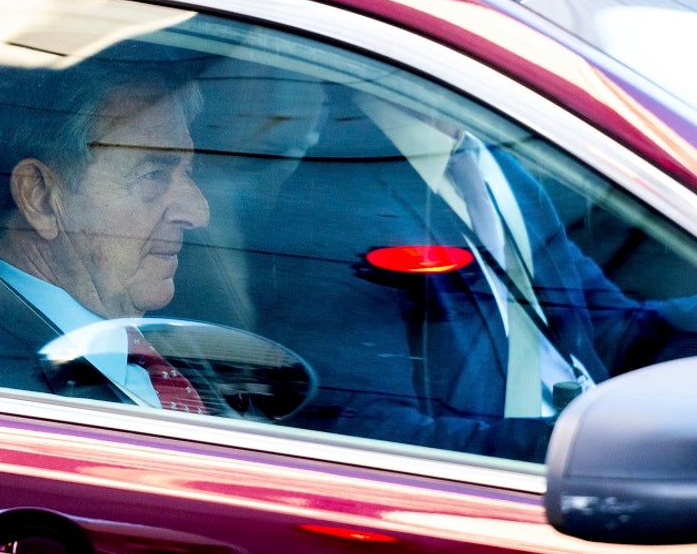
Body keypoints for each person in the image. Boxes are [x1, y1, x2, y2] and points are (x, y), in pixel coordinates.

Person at [257, 92, 697, 461]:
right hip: (511, 484)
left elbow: (603, 328)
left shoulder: (492, 160)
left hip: (582, 434)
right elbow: (371, 436)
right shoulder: (335, 204)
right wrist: (575, 440)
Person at [0, 59, 244, 415]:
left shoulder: (163, 342)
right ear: (42, 197)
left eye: (188, 172)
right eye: (154, 174)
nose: (198, 213)